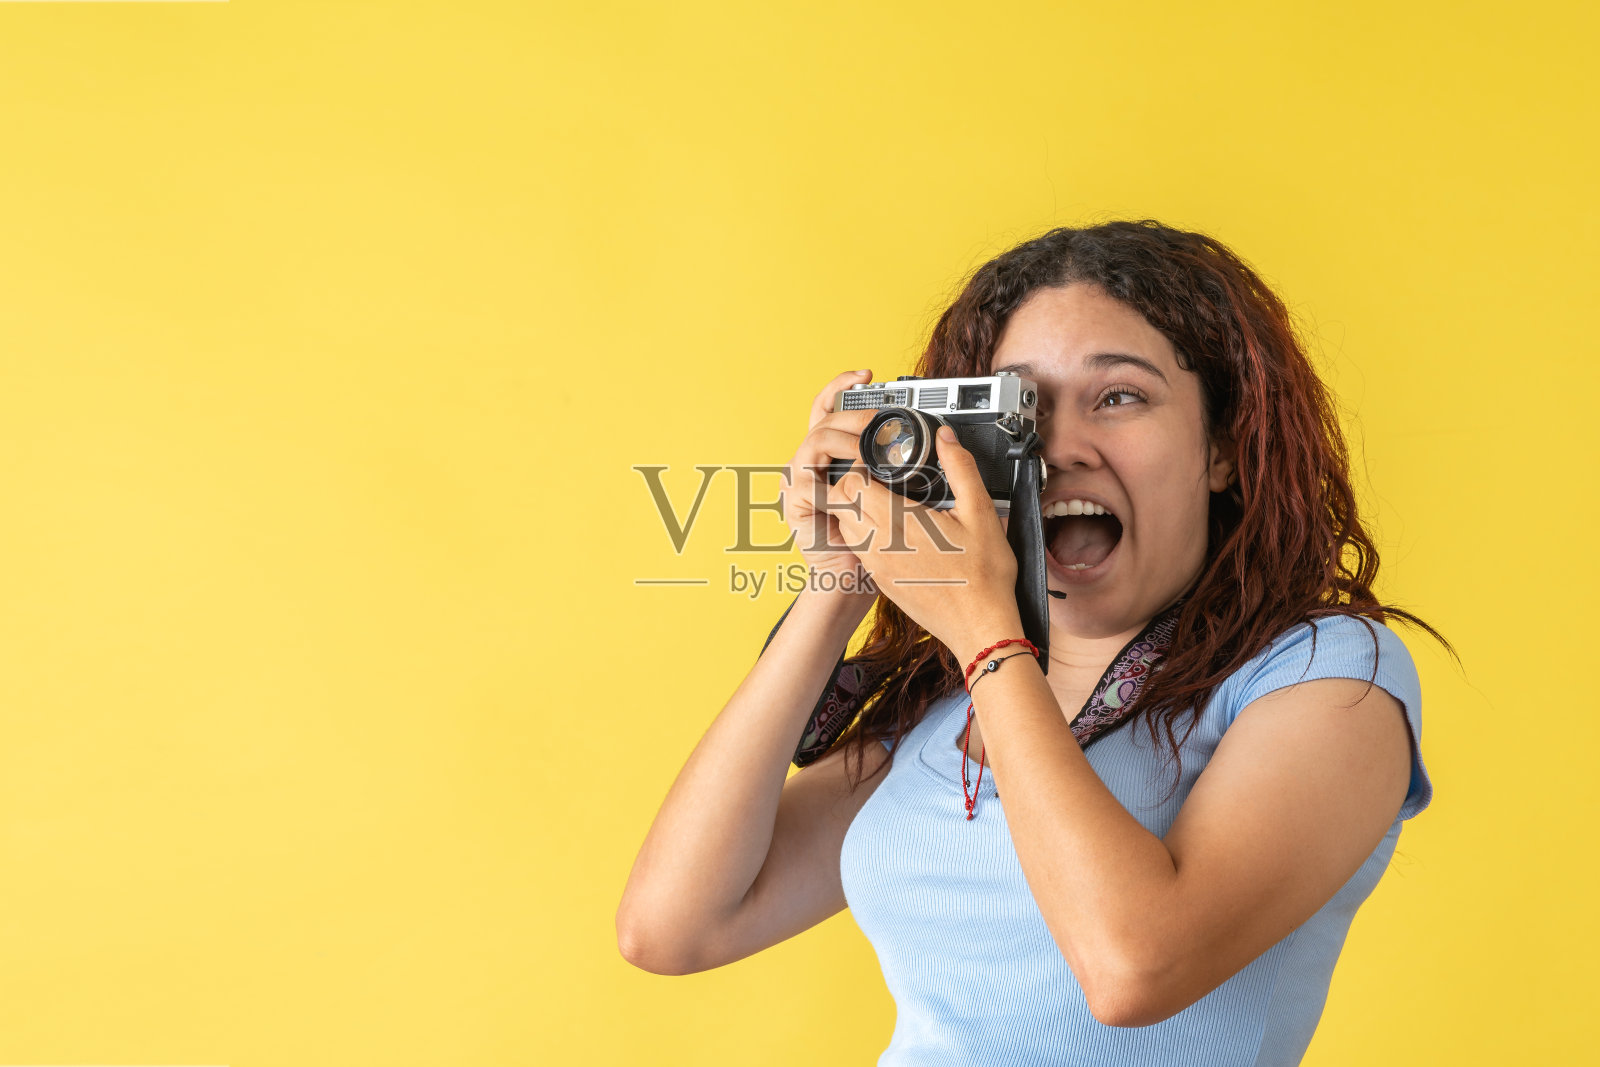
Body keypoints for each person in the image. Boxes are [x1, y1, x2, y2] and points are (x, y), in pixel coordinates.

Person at [616, 220, 1454, 1066]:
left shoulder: (1327, 673)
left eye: (1119, 396)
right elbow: (674, 925)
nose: (1055, 449)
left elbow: (1133, 967)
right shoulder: (952, 695)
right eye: (1020, 408)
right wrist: (841, 581)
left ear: (1224, 449)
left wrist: (985, 634)